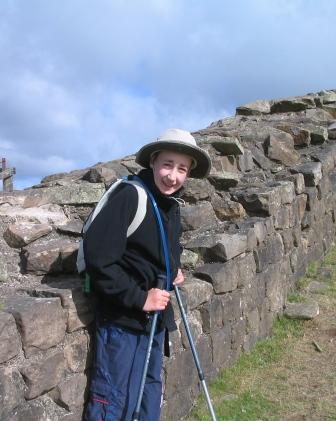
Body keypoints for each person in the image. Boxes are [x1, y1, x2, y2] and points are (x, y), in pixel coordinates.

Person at [84, 128, 211, 421]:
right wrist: (140, 297)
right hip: (123, 322)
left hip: (155, 321)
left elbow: (158, 251)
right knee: (115, 402)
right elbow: (99, 260)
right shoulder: (130, 197)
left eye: (182, 169)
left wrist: (171, 271)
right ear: (153, 161)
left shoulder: (171, 205)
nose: (173, 176)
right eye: (168, 164)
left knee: (148, 398)